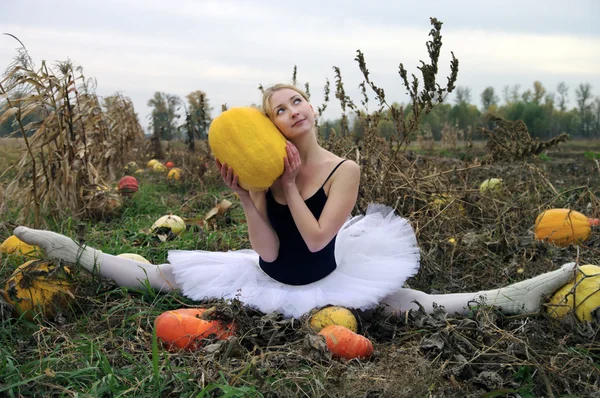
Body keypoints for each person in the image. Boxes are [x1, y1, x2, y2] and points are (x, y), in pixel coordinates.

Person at [13, 84, 576, 319]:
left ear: (311, 108)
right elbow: (266, 248)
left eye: (299, 100)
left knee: (404, 305)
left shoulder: (343, 169)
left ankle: (505, 298)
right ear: (273, 124)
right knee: (164, 278)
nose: (294, 111)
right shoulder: (262, 169)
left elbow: (314, 238)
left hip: (325, 271)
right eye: (280, 109)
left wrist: (285, 188)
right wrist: (250, 201)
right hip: (273, 275)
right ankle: (74, 251)